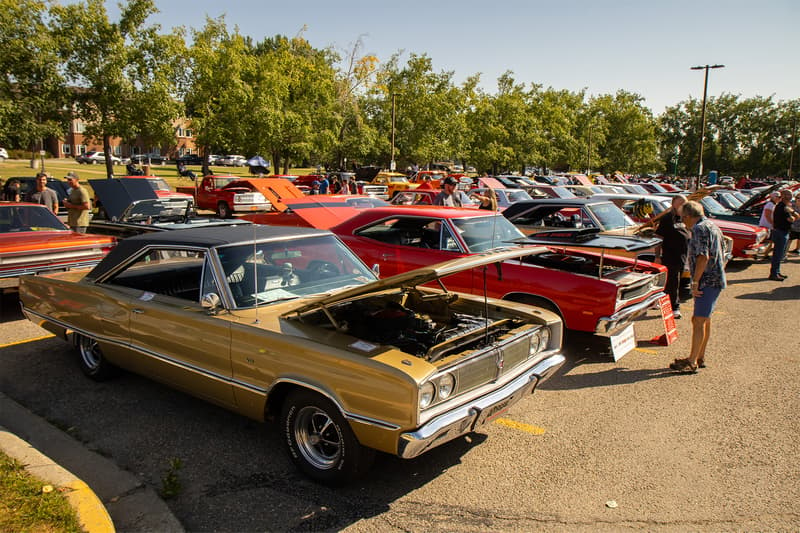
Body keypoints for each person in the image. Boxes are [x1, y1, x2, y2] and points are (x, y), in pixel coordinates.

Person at [669, 200, 727, 373]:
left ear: (688, 216)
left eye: (683, 219)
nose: (683, 222)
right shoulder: (712, 225)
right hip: (715, 279)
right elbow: (723, 251)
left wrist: (695, 282)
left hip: (706, 281)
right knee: (704, 319)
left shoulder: (700, 229)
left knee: (699, 320)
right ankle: (700, 356)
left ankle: (692, 361)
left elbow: (703, 256)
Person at [655, 194, 690, 319]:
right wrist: (657, 256)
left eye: (684, 203)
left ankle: (659, 299)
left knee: (679, 281)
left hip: (684, 255)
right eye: (680, 203)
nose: (682, 205)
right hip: (670, 255)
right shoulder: (667, 218)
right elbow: (659, 238)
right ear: (673, 203)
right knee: (673, 282)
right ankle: (675, 308)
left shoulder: (685, 218)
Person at [768, 189, 798, 281]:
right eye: (789, 195)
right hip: (781, 232)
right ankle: (774, 274)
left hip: (782, 231)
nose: (791, 196)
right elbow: (792, 219)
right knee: (778, 254)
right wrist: (793, 213)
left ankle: (776, 272)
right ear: (784, 196)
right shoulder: (783, 207)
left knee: (779, 253)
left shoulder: (784, 206)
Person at [757, 191, 779, 260]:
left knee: (770, 241)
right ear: (772, 197)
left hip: (769, 225)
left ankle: (765, 254)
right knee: (767, 241)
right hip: (766, 225)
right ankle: (762, 254)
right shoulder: (769, 204)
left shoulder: (774, 204)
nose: (778, 198)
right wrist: (773, 224)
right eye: (777, 196)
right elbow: (767, 215)